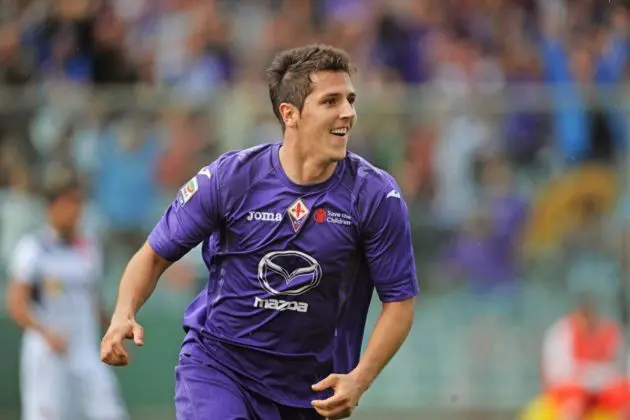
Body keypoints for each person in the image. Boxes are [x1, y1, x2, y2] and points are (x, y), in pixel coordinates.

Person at [100, 44, 419, 420]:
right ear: (290, 114)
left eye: (350, 99)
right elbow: (154, 254)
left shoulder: (376, 196)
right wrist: (123, 312)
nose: (348, 113)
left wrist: (360, 379)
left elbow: (399, 302)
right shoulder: (230, 178)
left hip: (311, 392)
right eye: (330, 101)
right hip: (220, 369)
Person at [6, 162, 128, 420]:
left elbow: (91, 299)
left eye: (78, 203)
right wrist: (46, 334)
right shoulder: (32, 249)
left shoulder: (89, 248)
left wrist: (112, 327)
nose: (75, 211)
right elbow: (16, 305)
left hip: (85, 351)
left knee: (110, 412)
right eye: (68, 203)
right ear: (51, 207)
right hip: (48, 354)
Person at [541, 295, 630, 419]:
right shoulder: (561, 334)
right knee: (573, 406)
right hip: (573, 387)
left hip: (606, 385)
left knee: (626, 402)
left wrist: (601, 379)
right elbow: (559, 374)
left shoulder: (610, 330)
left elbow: (619, 367)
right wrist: (589, 379)